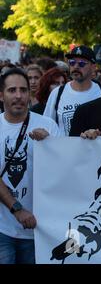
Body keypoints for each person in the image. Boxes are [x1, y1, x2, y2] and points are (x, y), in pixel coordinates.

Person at [0, 68, 60, 264]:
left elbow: (65, 171)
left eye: (23, 90)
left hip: (40, 232)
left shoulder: (49, 126)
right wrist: (17, 210)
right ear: (1, 95)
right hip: (3, 229)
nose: (18, 96)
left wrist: (50, 144)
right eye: (12, 90)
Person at [43, 45, 101, 135]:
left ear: (93, 67)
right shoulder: (57, 93)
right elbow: (46, 127)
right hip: (65, 148)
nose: (76, 67)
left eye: (82, 64)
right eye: (72, 62)